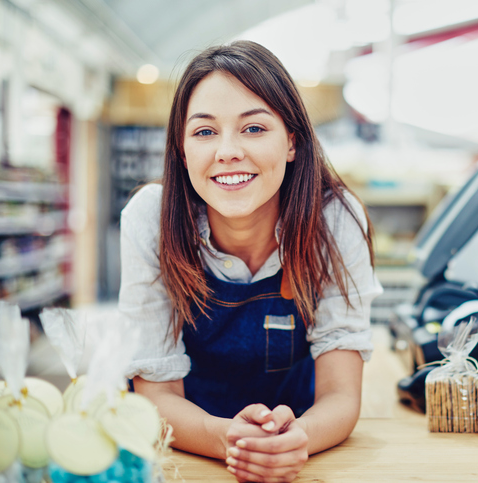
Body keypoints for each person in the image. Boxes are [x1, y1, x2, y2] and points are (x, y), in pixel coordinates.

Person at [119, 40, 382, 482]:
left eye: (254, 128)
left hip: (301, 449)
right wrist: (228, 440)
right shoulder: (152, 218)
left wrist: (297, 438)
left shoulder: (335, 219)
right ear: (183, 154)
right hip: (186, 454)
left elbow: (341, 394)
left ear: (293, 142)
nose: (228, 151)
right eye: (204, 132)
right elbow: (155, 396)